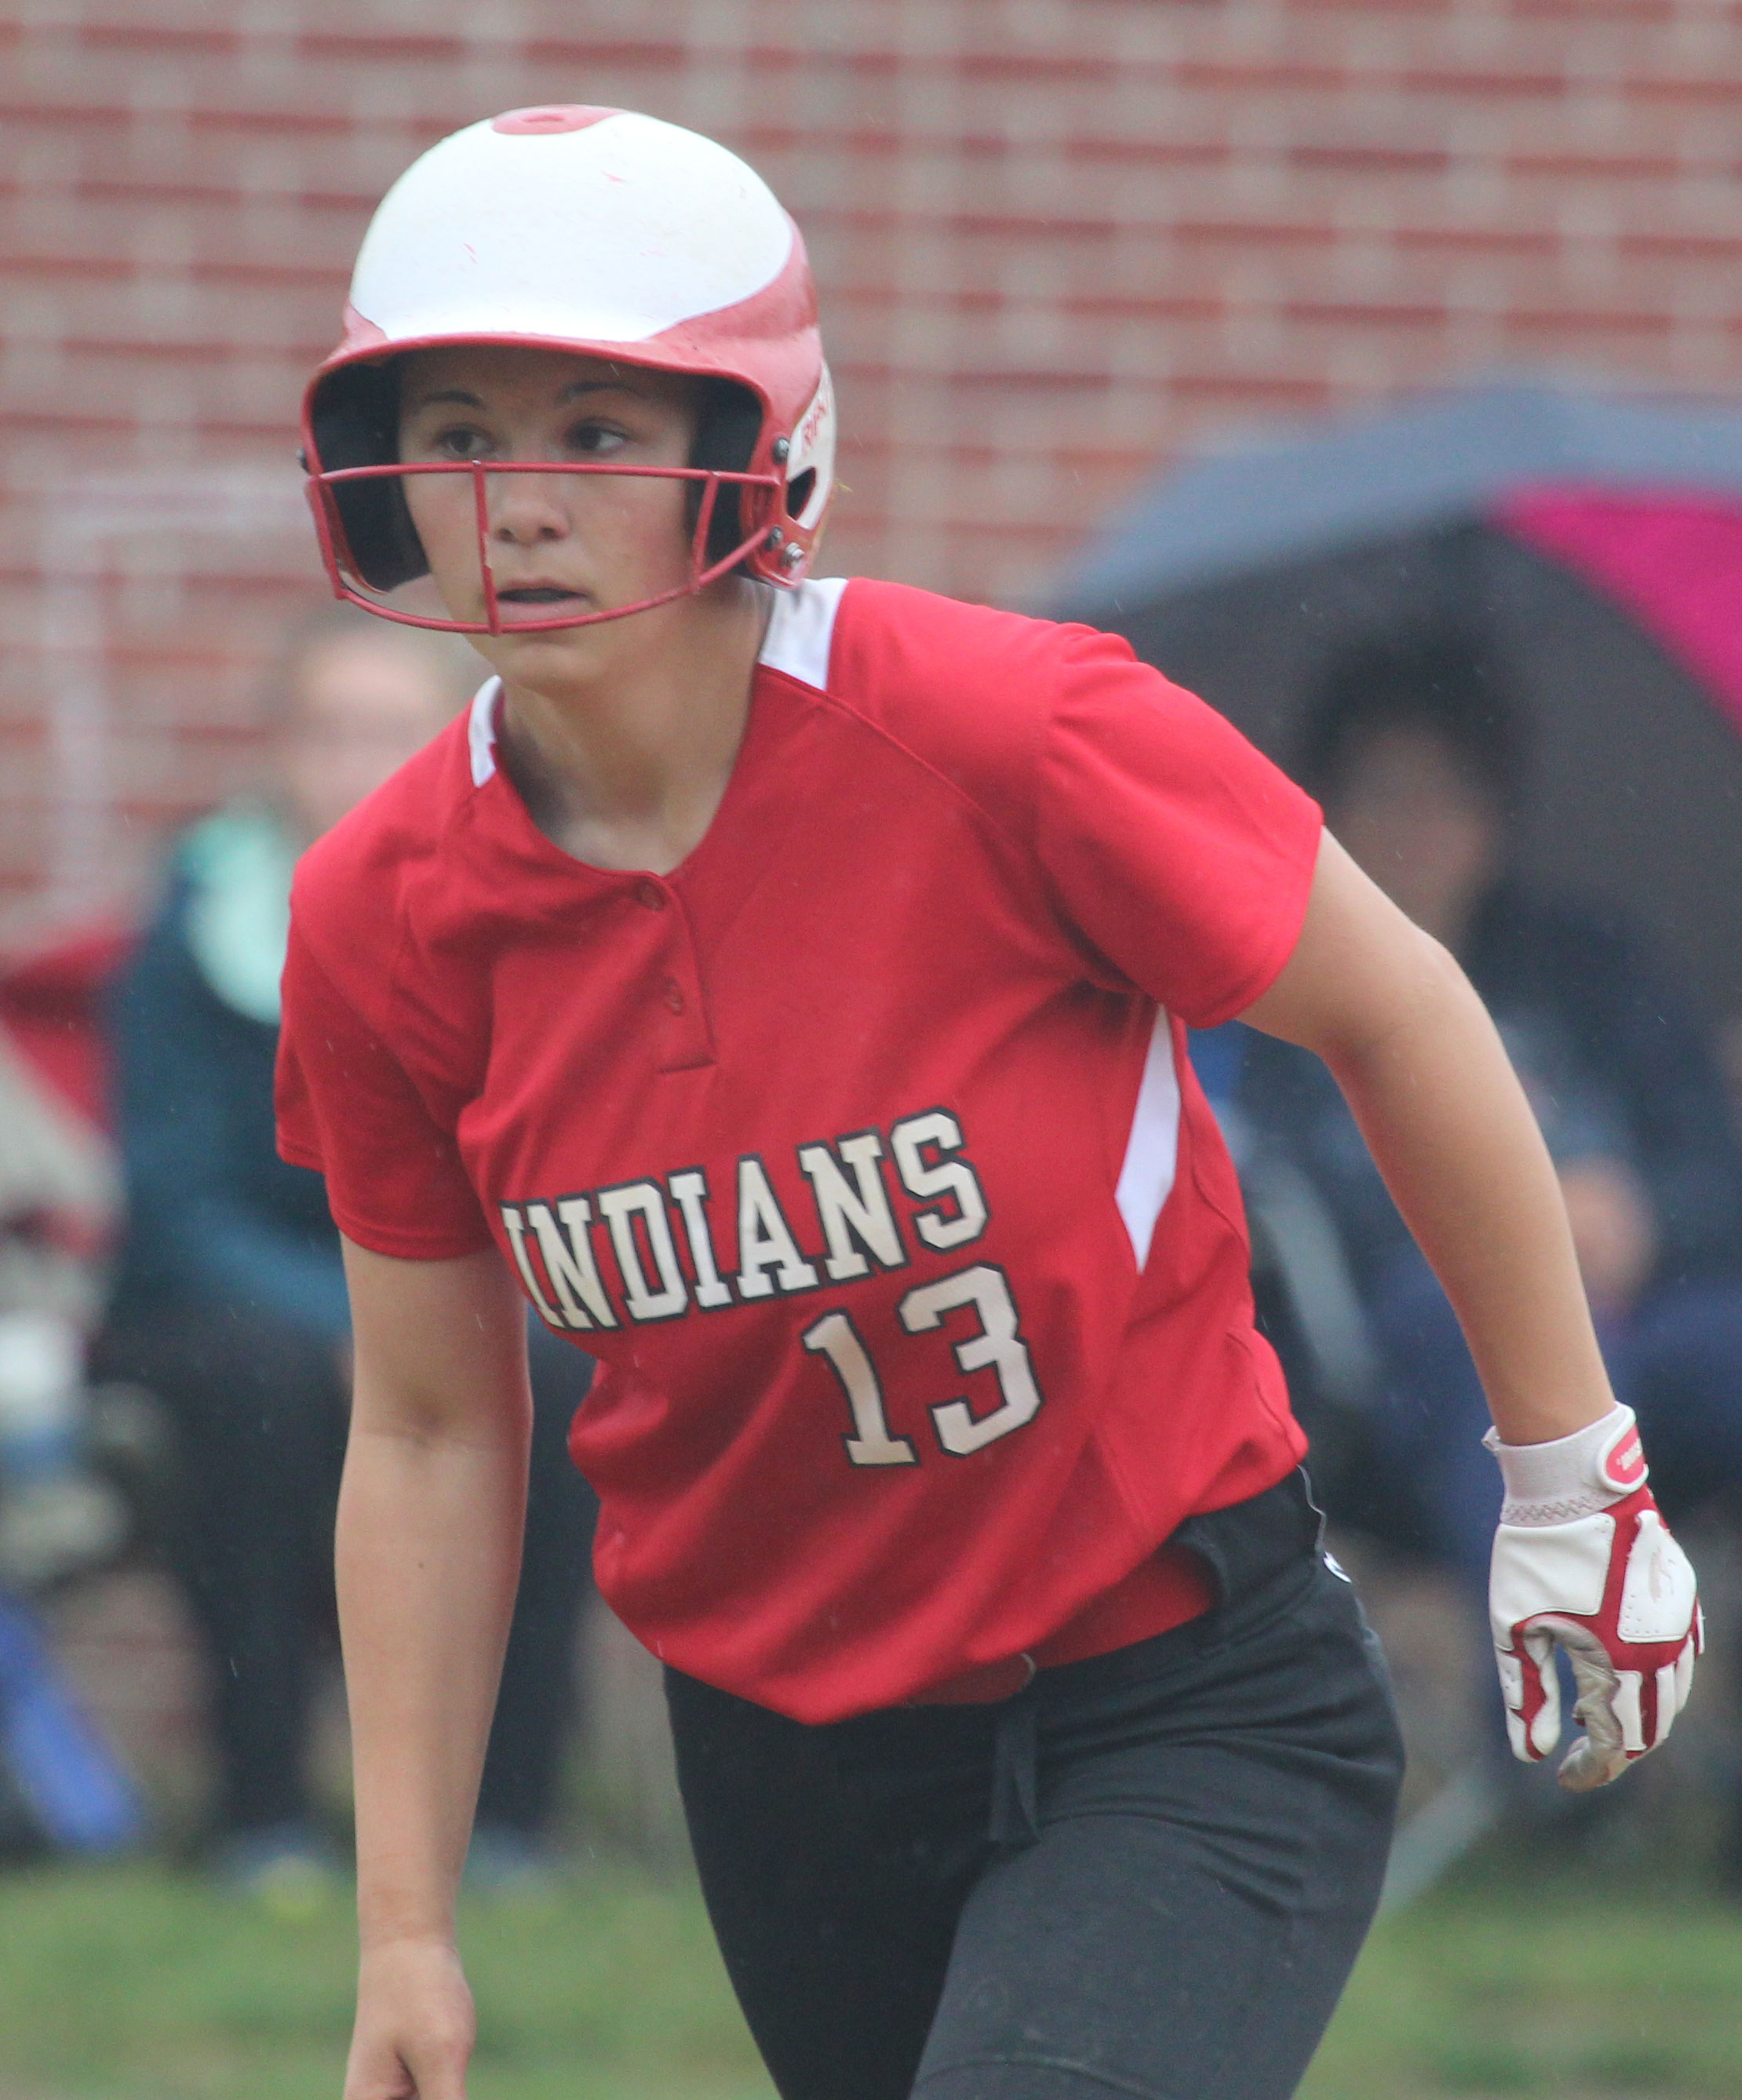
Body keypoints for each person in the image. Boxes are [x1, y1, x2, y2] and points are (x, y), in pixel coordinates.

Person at [278, 108, 1700, 2100]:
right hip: (789, 1768)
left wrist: (1572, 1475)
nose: (516, 497)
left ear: (759, 452)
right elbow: (431, 1423)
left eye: (595, 430)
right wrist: (406, 1930)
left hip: (1180, 1693)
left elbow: (1400, 1012)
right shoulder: (376, 915)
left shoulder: (1004, 727)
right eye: (457, 431)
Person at [98, 605, 596, 1898]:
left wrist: (423, 1330)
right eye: (324, 732)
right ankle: (264, 1812)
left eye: (388, 732)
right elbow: (176, 1204)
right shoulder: (194, 930)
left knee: (549, 1382)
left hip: (465, 1295)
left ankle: (509, 1819)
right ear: (277, 750)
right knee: (257, 1392)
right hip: (234, 1307)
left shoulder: (524, 912)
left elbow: (551, 1169)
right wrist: (354, 1328)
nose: (352, 763)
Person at [1232, 634, 1742, 1596]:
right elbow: (1288, 1214)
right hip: (1424, 1349)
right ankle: (1562, 1668)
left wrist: (1641, 1220)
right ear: (1328, 808)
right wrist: (1521, 1234)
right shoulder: (1277, 997)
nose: (1421, 827)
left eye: (1452, 796)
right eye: (1390, 793)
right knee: (1500, 1382)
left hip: (1650, 1320)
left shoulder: (1590, 966)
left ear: (1496, 817)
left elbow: (1711, 1163)